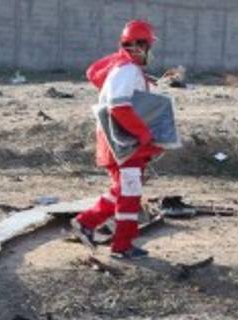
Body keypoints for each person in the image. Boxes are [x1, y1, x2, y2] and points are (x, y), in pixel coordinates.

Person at [71, 19, 163, 260]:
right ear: (141, 46)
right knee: (129, 192)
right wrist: (144, 135)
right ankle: (122, 246)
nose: (150, 52)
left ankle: (86, 223)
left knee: (123, 189)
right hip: (122, 141)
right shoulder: (127, 70)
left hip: (119, 139)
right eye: (149, 46)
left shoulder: (124, 69)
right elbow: (119, 106)